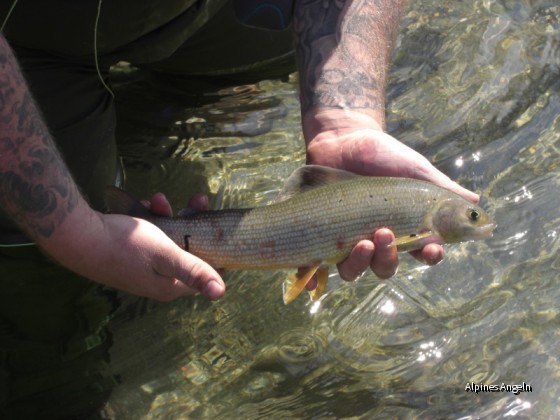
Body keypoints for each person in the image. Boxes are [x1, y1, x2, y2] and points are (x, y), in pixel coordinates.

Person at [0, 0, 480, 417]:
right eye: (473, 217)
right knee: (39, 244)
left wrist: (342, 115)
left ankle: (158, 97)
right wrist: (76, 235)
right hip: (23, 30)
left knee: (283, 50)